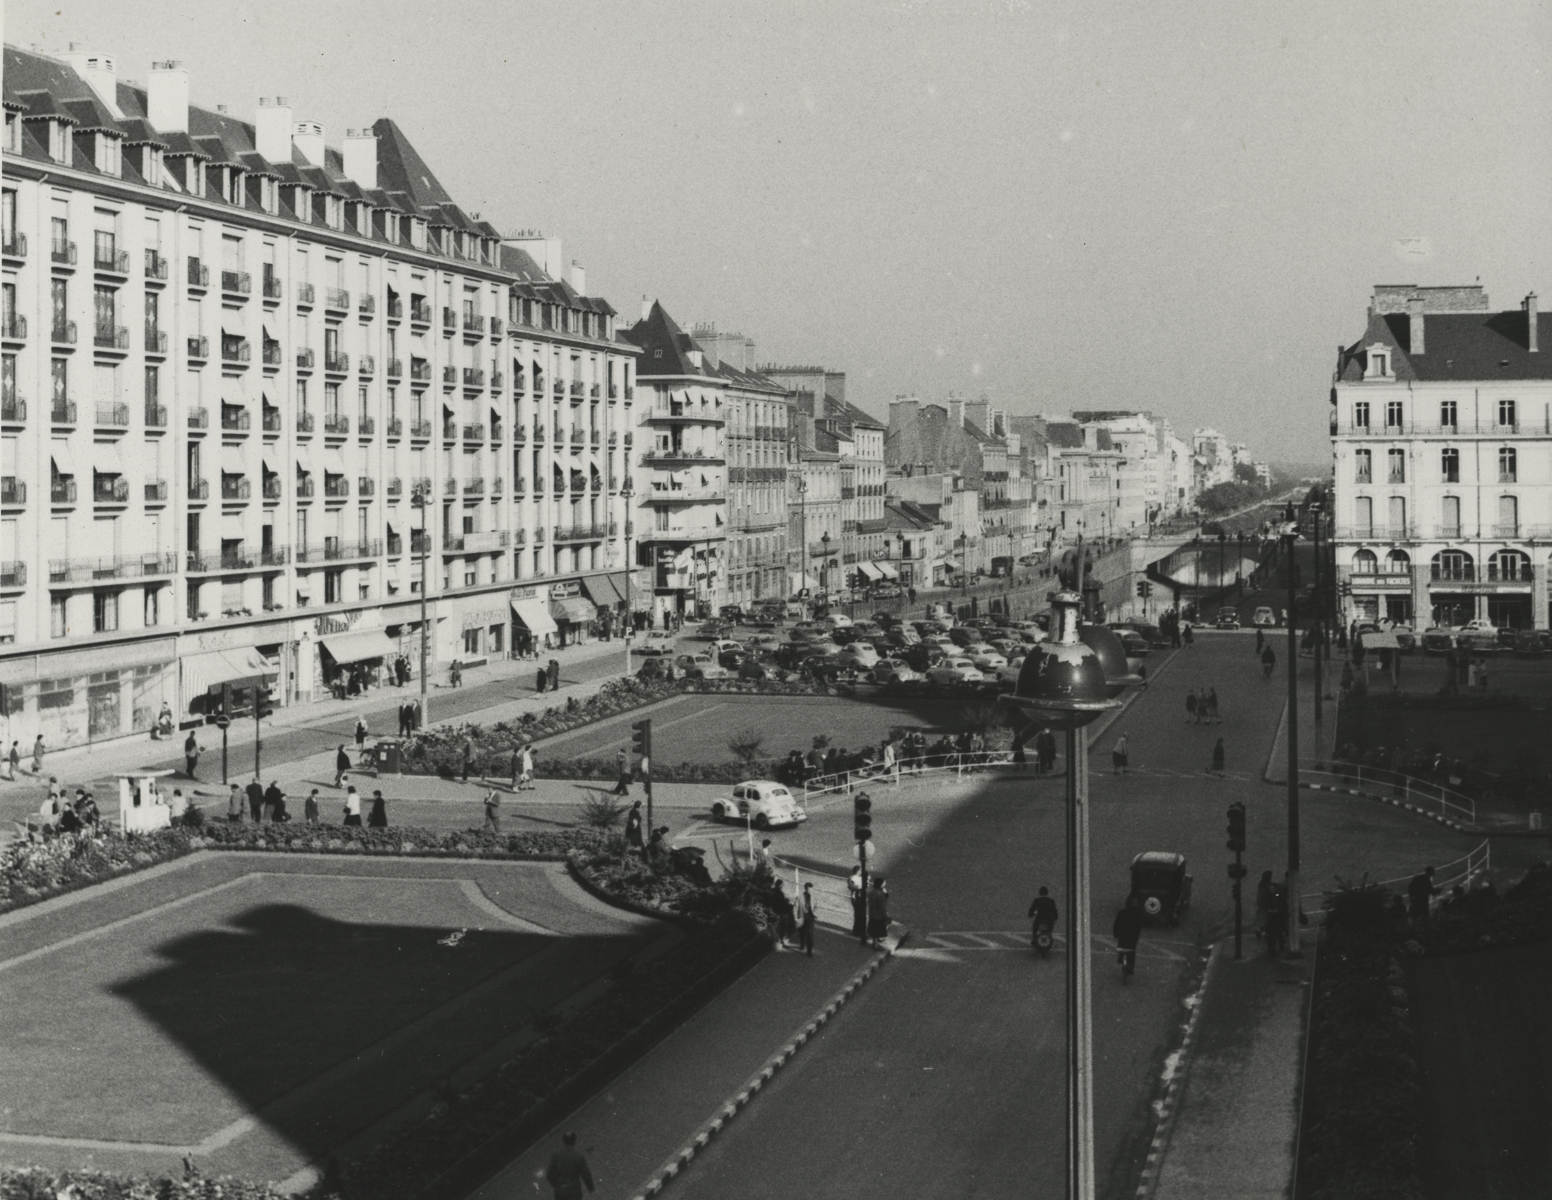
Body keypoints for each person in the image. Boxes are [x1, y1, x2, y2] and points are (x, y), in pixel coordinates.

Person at [544, 1131, 594, 1200]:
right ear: (574, 1141)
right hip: (574, 1192)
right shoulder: (579, 1157)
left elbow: (549, 1174)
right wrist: (590, 1187)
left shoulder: (556, 1155)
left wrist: (556, 1185)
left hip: (560, 1192)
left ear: (564, 1141)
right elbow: (586, 1175)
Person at [1113, 895, 1143, 980]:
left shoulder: (1122, 912)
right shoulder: (1137, 914)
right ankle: (1130, 967)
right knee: (1132, 950)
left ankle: (1120, 957)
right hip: (1133, 935)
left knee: (1121, 946)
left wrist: (1115, 933)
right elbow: (1139, 926)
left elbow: (1116, 924)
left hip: (1123, 933)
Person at [867, 876, 890, 946]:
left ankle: (876, 941)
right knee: (877, 929)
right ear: (881, 884)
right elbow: (881, 906)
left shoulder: (872, 892)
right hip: (878, 915)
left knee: (874, 928)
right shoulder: (879, 894)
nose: (885, 883)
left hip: (872, 913)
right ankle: (875, 944)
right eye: (884, 882)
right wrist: (885, 915)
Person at [1254, 869, 1274, 942]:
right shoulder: (1267, 885)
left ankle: (1260, 932)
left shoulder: (1261, 884)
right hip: (1267, 905)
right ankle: (1266, 935)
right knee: (1268, 921)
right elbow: (1271, 894)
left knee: (1263, 921)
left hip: (1262, 905)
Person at [798, 882, 817, 956]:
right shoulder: (800, 897)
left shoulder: (814, 897)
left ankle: (809, 951)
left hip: (810, 917)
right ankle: (802, 944)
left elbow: (817, 906)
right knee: (802, 933)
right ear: (806, 889)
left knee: (810, 935)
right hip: (803, 917)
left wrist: (815, 913)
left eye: (811, 890)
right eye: (809, 890)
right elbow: (796, 907)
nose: (811, 891)